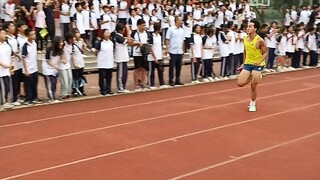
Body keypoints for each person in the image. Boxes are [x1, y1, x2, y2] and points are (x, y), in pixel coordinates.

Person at [237, 19, 268, 112]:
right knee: (240, 83)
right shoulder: (245, 39)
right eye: (247, 26)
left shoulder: (259, 40)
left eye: (250, 26)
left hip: (257, 65)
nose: (247, 28)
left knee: (253, 86)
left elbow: (266, 52)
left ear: (255, 29)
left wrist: (259, 61)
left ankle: (252, 103)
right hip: (248, 64)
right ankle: (255, 75)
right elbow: (245, 51)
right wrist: (243, 62)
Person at [166, 16, 185, 86]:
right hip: (172, 50)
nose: (181, 22)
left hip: (179, 50)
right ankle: (171, 80)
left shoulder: (182, 30)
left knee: (179, 66)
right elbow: (167, 39)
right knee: (172, 66)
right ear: (176, 21)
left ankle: (177, 79)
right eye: (180, 20)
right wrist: (167, 50)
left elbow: (183, 40)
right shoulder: (171, 29)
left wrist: (183, 50)